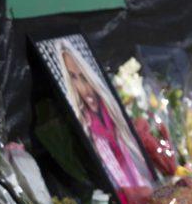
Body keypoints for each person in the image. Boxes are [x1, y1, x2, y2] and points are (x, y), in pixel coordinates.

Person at [59, 44, 151, 190]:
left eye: (84, 77)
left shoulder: (115, 113)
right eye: (74, 77)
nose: (84, 89)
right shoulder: (85, 127)